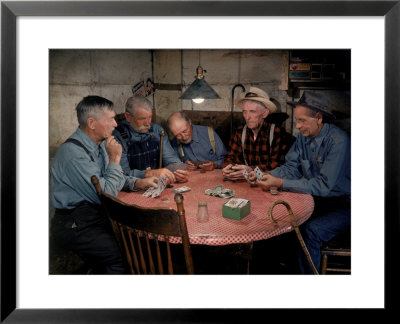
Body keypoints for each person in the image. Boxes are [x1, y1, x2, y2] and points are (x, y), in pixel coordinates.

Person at [50, 95, 158, 274]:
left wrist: (137, 182)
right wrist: (115, 158)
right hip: (75, 224)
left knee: (141, 241)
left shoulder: (99, 144)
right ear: (92, 123)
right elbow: (107, 194)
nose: (116, 124)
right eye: (111, 119)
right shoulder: (72, 154)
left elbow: (111, 178)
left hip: (97, 216)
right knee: (123, 254)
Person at [251, 91, 351, 274]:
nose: (297, 126)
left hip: (345, 205)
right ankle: (287, 272)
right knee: (284, 222)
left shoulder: (338, 141)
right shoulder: (303, 139)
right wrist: (265, 175)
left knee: (311, 230)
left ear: (319, 118)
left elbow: (322, 185)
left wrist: (279, 182)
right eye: (297, 120)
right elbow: (291, 167)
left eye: (302, 121)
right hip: (318, 200)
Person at [222, 87, 293, 181]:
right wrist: (229, 167)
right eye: (244, 112)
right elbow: (229, 158)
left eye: (252, 111)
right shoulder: (240, 132)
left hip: (269, 183)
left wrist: (251, 169)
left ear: (264, 114)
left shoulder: (277, 133)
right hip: (246, 183)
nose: (247, 117)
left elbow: (277, 166)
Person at [113, 96, 189, 184]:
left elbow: (171, 159)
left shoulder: (158, 131)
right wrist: (148, 173)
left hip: (156, 186)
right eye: (142, 119)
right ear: (128, 116)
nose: (147, 123)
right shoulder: (118, 137)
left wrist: (179, 171)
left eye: (149, 117)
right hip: (132, 188)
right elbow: (122, 175)